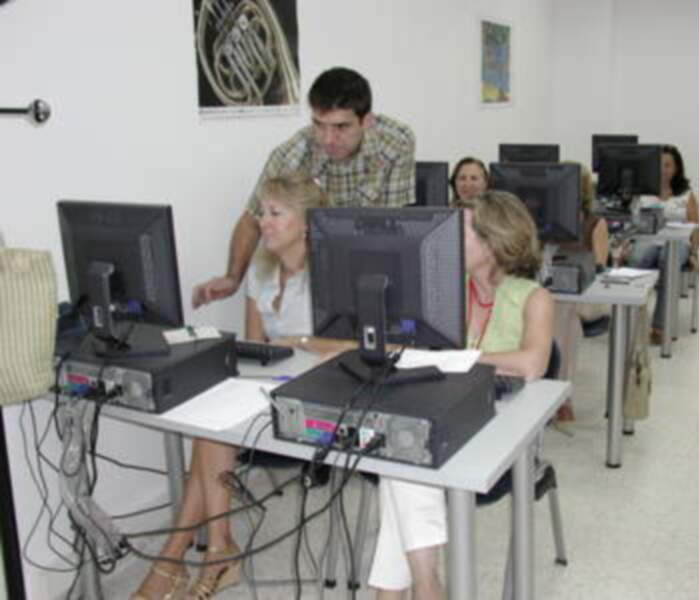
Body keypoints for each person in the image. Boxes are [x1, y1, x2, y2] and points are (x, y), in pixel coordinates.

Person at [131, 174, 330, 600]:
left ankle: (178, 557)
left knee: (210, 432)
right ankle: (216, 549)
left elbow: (347, 345)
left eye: (276, 213)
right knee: (210, 422)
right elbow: (256, 348)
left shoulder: (330, 273)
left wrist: (298, 343)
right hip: (268, 392)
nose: (263, 222)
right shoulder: (260, 271)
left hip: (315, 402)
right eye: (262, 212)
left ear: (308, 223)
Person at [368, 190, 553, 600]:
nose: (447, 244)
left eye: (460, 233)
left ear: (493, 242)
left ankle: (402, 590)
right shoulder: (445, 291)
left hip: (504, 433)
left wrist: (457, 357)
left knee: (399, 455)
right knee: (402, 448)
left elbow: (531, 364)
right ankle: (425, 585)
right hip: (448, 413)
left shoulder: (533, 297)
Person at [193, 66, 416, 309]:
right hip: (316, 276)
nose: (328, 139)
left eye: (341, 127)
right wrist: (232, 278)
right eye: (319, 125)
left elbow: (395, 225)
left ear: (367, 121)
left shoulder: (395, 143)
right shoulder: (293, 154)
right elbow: (252, 219)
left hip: (374, 264)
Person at [551, 163, 610, 421]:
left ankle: (562, 395)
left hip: (587, 296)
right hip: (551, 293)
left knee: (564, 314)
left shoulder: (594, 223)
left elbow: (599, 268)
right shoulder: (542, 220)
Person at [627, 144, 699, 343]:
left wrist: (694, 253)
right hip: (648, 241)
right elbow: (632, 223)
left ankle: (660, 326)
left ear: (676, 168)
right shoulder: (643, 192)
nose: (663, 170)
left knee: (667, 259)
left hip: (678, 245)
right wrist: (627, 244)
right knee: (636, 258)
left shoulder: (686, 194)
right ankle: (629, 319)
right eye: (660, 165)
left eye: (668, 165)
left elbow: (696, 229)